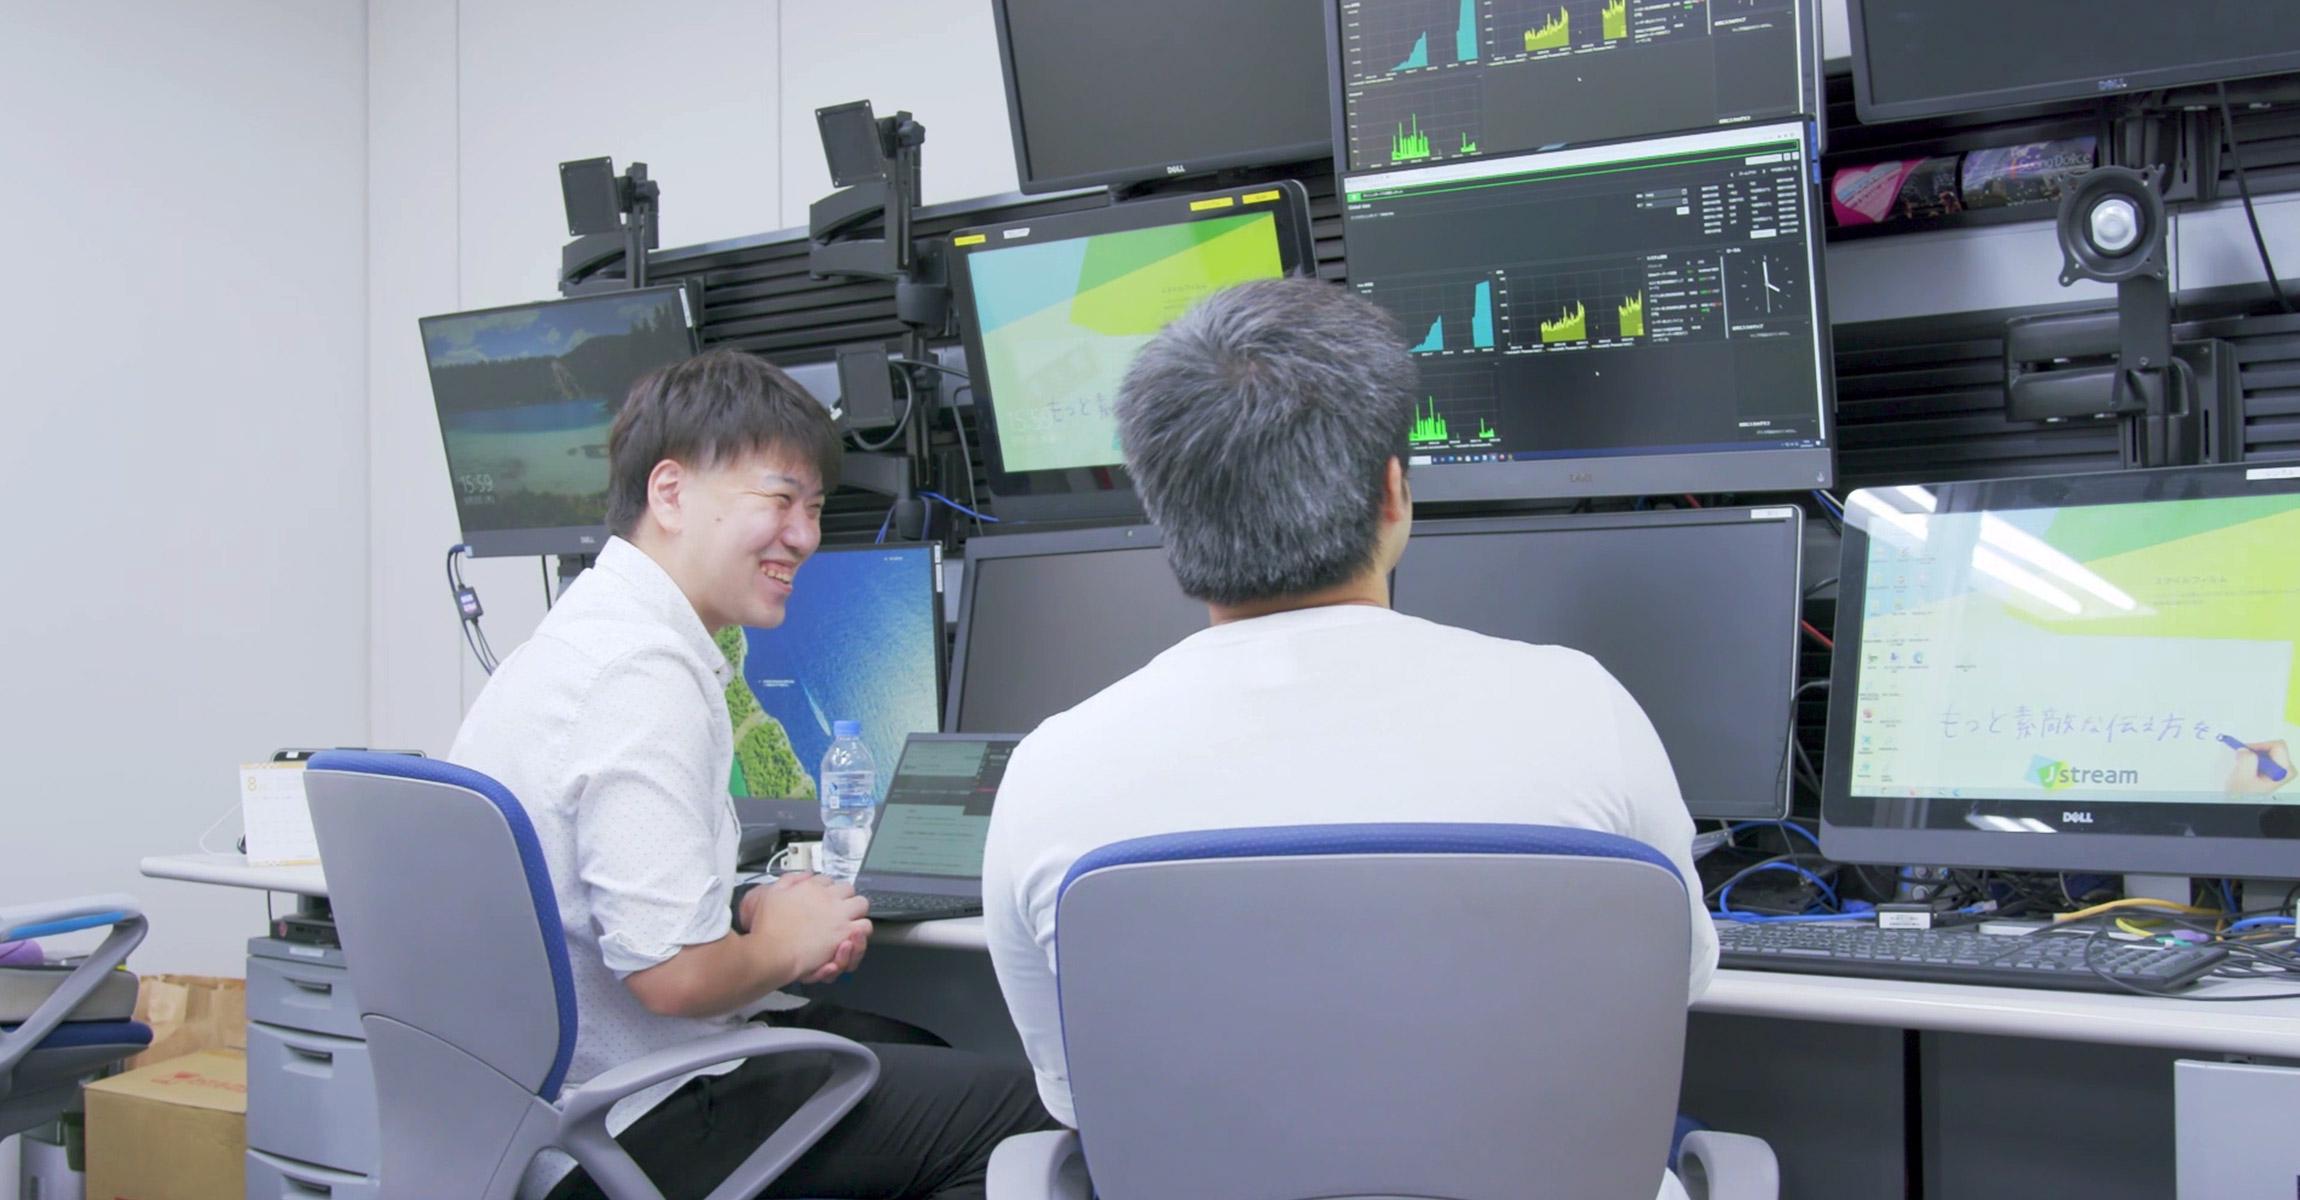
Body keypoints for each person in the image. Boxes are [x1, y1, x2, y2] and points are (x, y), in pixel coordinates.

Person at [980, 278, 1717, 1197]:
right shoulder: (1583, 706)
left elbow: (1075, 1095)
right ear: (1393, 493)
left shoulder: (1050, 769)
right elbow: (1677, 979)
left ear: (1165, 513)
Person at [450, 348, 1051, 1200]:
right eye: (779, 499)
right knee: (1020, 1119)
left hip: (550, 1112)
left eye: (815, 507)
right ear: (670, 493)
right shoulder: (640, 673)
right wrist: (783, 944)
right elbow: (673, 977)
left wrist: (744, 909)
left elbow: (601, 892)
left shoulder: (572, 643)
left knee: (917, 1050)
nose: (804, 535)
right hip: (633, 1122)